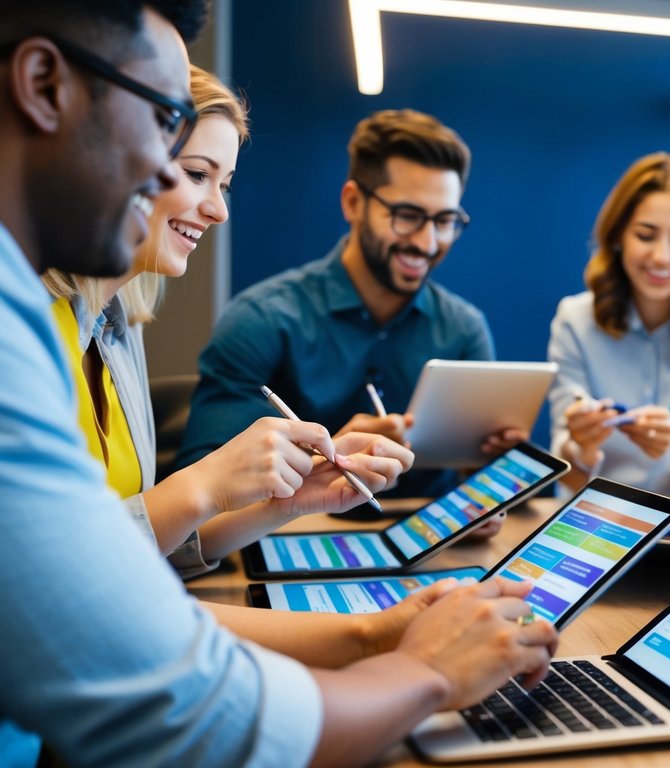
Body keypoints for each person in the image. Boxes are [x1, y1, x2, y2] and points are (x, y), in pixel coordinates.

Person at [0, 3, 556, 765]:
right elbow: (142, 665)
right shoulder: (28, 325)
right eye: (172, 142)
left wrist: (305, 534)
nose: (199, 196)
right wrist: (417, 668)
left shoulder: (109, 326)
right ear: (43, 88)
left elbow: (129, 586)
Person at [42, 65, 413, 575]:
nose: (219, 210)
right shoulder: (25, 330)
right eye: (198, 174)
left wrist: (288, 503)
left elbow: (143, 547)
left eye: (226, 184)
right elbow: (42, 578)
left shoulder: (116, 330)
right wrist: (205, 483)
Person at [177, 108, 524, 504]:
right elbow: (200, 487)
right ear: (353, 202)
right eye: (408, 216)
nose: (427, 243)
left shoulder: (464, 330)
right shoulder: (262, 320)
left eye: (445, 221)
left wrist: (490, 486)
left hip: (429, 550)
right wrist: (325, 460)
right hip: (288, 546)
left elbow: (483, 488)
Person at [547, 152, 670, 496]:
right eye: (645, 235)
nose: (661, 256)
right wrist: (583, 445)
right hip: (590, 521)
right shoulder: (575, 319)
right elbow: (566, 475)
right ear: (618, 236)